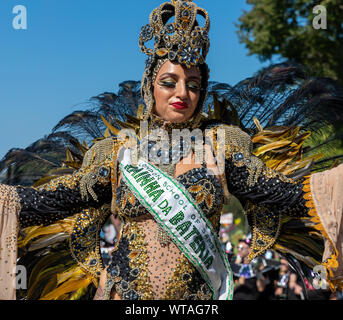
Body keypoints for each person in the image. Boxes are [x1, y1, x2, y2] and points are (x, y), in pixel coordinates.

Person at [0, 0, 343, 300]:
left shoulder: (221, 147)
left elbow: (289, 197)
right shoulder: (119, 154)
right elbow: (47, 203)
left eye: (193, 85)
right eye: (169, 82)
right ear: (150, 85)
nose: (182, 92)